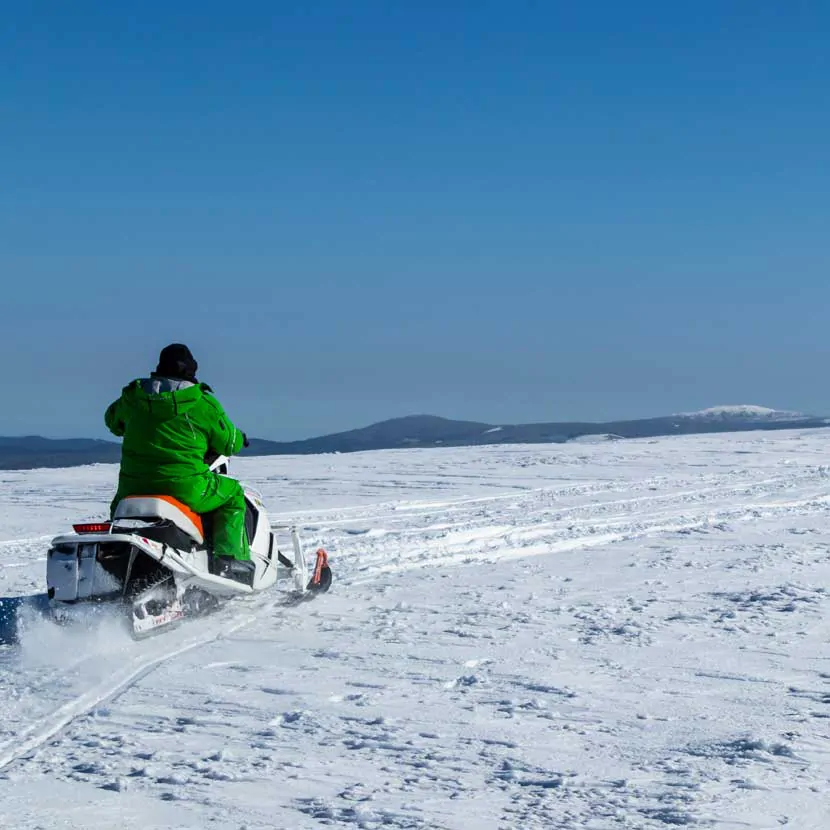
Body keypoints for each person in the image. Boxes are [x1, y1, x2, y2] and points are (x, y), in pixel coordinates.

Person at [104, 343, 252, 579]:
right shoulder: (201, 403)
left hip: (133, 490)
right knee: (233, 495)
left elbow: (112, 421)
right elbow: (228, 443)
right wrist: (240, 438)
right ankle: (229, 561)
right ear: (192, 371)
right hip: (184, 488)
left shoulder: (134, 397)